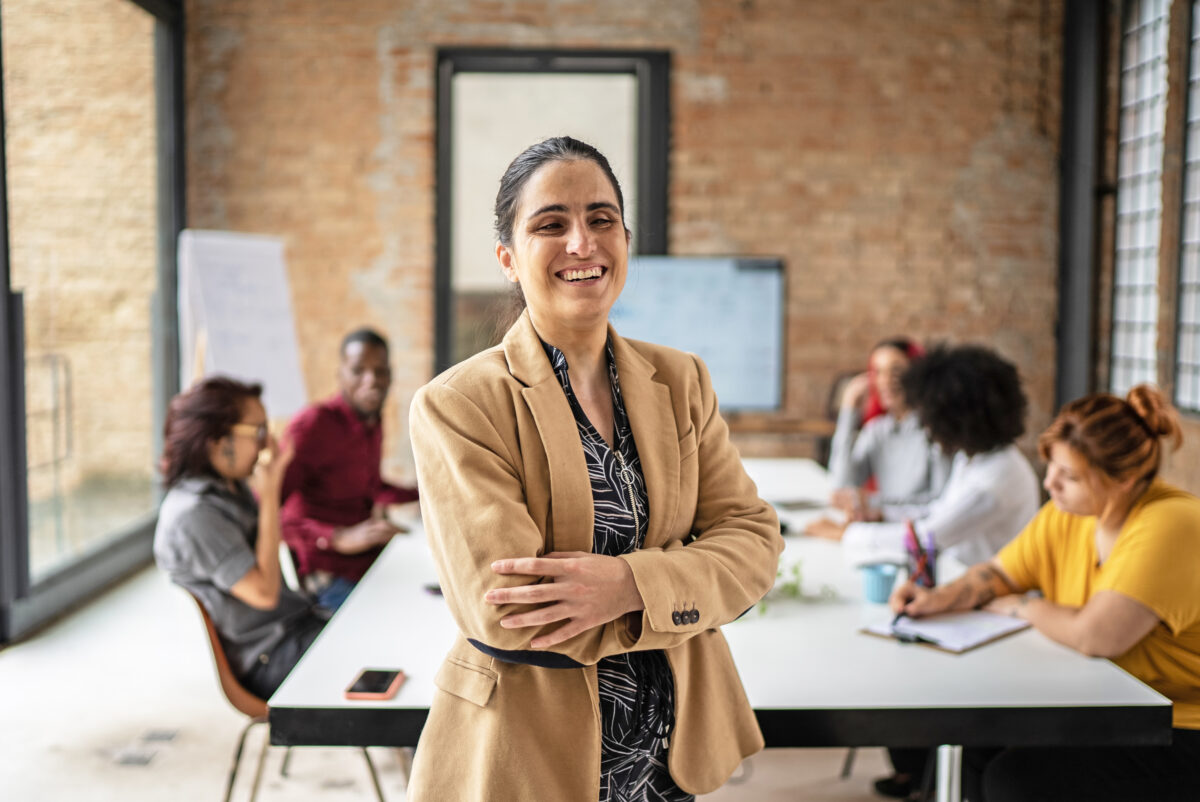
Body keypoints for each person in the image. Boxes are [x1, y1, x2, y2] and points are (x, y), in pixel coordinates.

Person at [406, 136, 783, 802]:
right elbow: (510, 616)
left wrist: (628, 585)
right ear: (508, 258)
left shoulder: (682, 379)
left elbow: (754, 544)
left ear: (625, 240)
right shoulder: (459, 405)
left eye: (601, 219)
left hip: (669, 755)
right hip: (530, 757)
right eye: (551, 224)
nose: (582, 242)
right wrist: (691, 587)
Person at [890, 385, 1200, 801]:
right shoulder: (1068, 513)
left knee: (1017, 779)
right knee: (977, 743)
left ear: (1125, 480)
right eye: (1051, 466)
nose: (1050, 483)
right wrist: (940, 597)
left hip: (1178, 726)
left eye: (1069, 476)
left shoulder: (1171, 525)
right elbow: (1000, 573)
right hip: (1101, 704)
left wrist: (1023, 606)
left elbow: (1097, 636)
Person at [153, 377, 326, 699]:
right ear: (216, 441)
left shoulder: (228, 489)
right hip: (271, 657)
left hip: (294, 628)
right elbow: (264, 594)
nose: (267, 444)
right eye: (257, 431)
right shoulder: (194, 515)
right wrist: (271, 492)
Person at [807, 344, 1041, 569]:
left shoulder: (993, 483)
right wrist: (880, 512)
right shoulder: (974, 458)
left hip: (983, 596)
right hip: (958, 577)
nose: (928, 426)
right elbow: (940, 509)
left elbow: (928, 538)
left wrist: (846, 535)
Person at [279, 328, 419, 611]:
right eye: (358, 370)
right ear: (340, 374)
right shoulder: (313, 425)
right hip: (326, 572)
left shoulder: (371, 420)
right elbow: (267, 510)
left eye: (380, 371)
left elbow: (370, 487)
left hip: (367, 560)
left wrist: (427, 492)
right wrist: (336, 537)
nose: (372, 381)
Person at [820, 336, 950, 523]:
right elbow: (841, 486)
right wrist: (849, 410)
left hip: (920, 540)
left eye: (896, 371)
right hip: (885, 532)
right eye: (878, 372)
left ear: (918, 374)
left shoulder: (936, 432)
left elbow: (942, 504)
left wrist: (875, 504)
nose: (885, 381)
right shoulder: (877, 431)